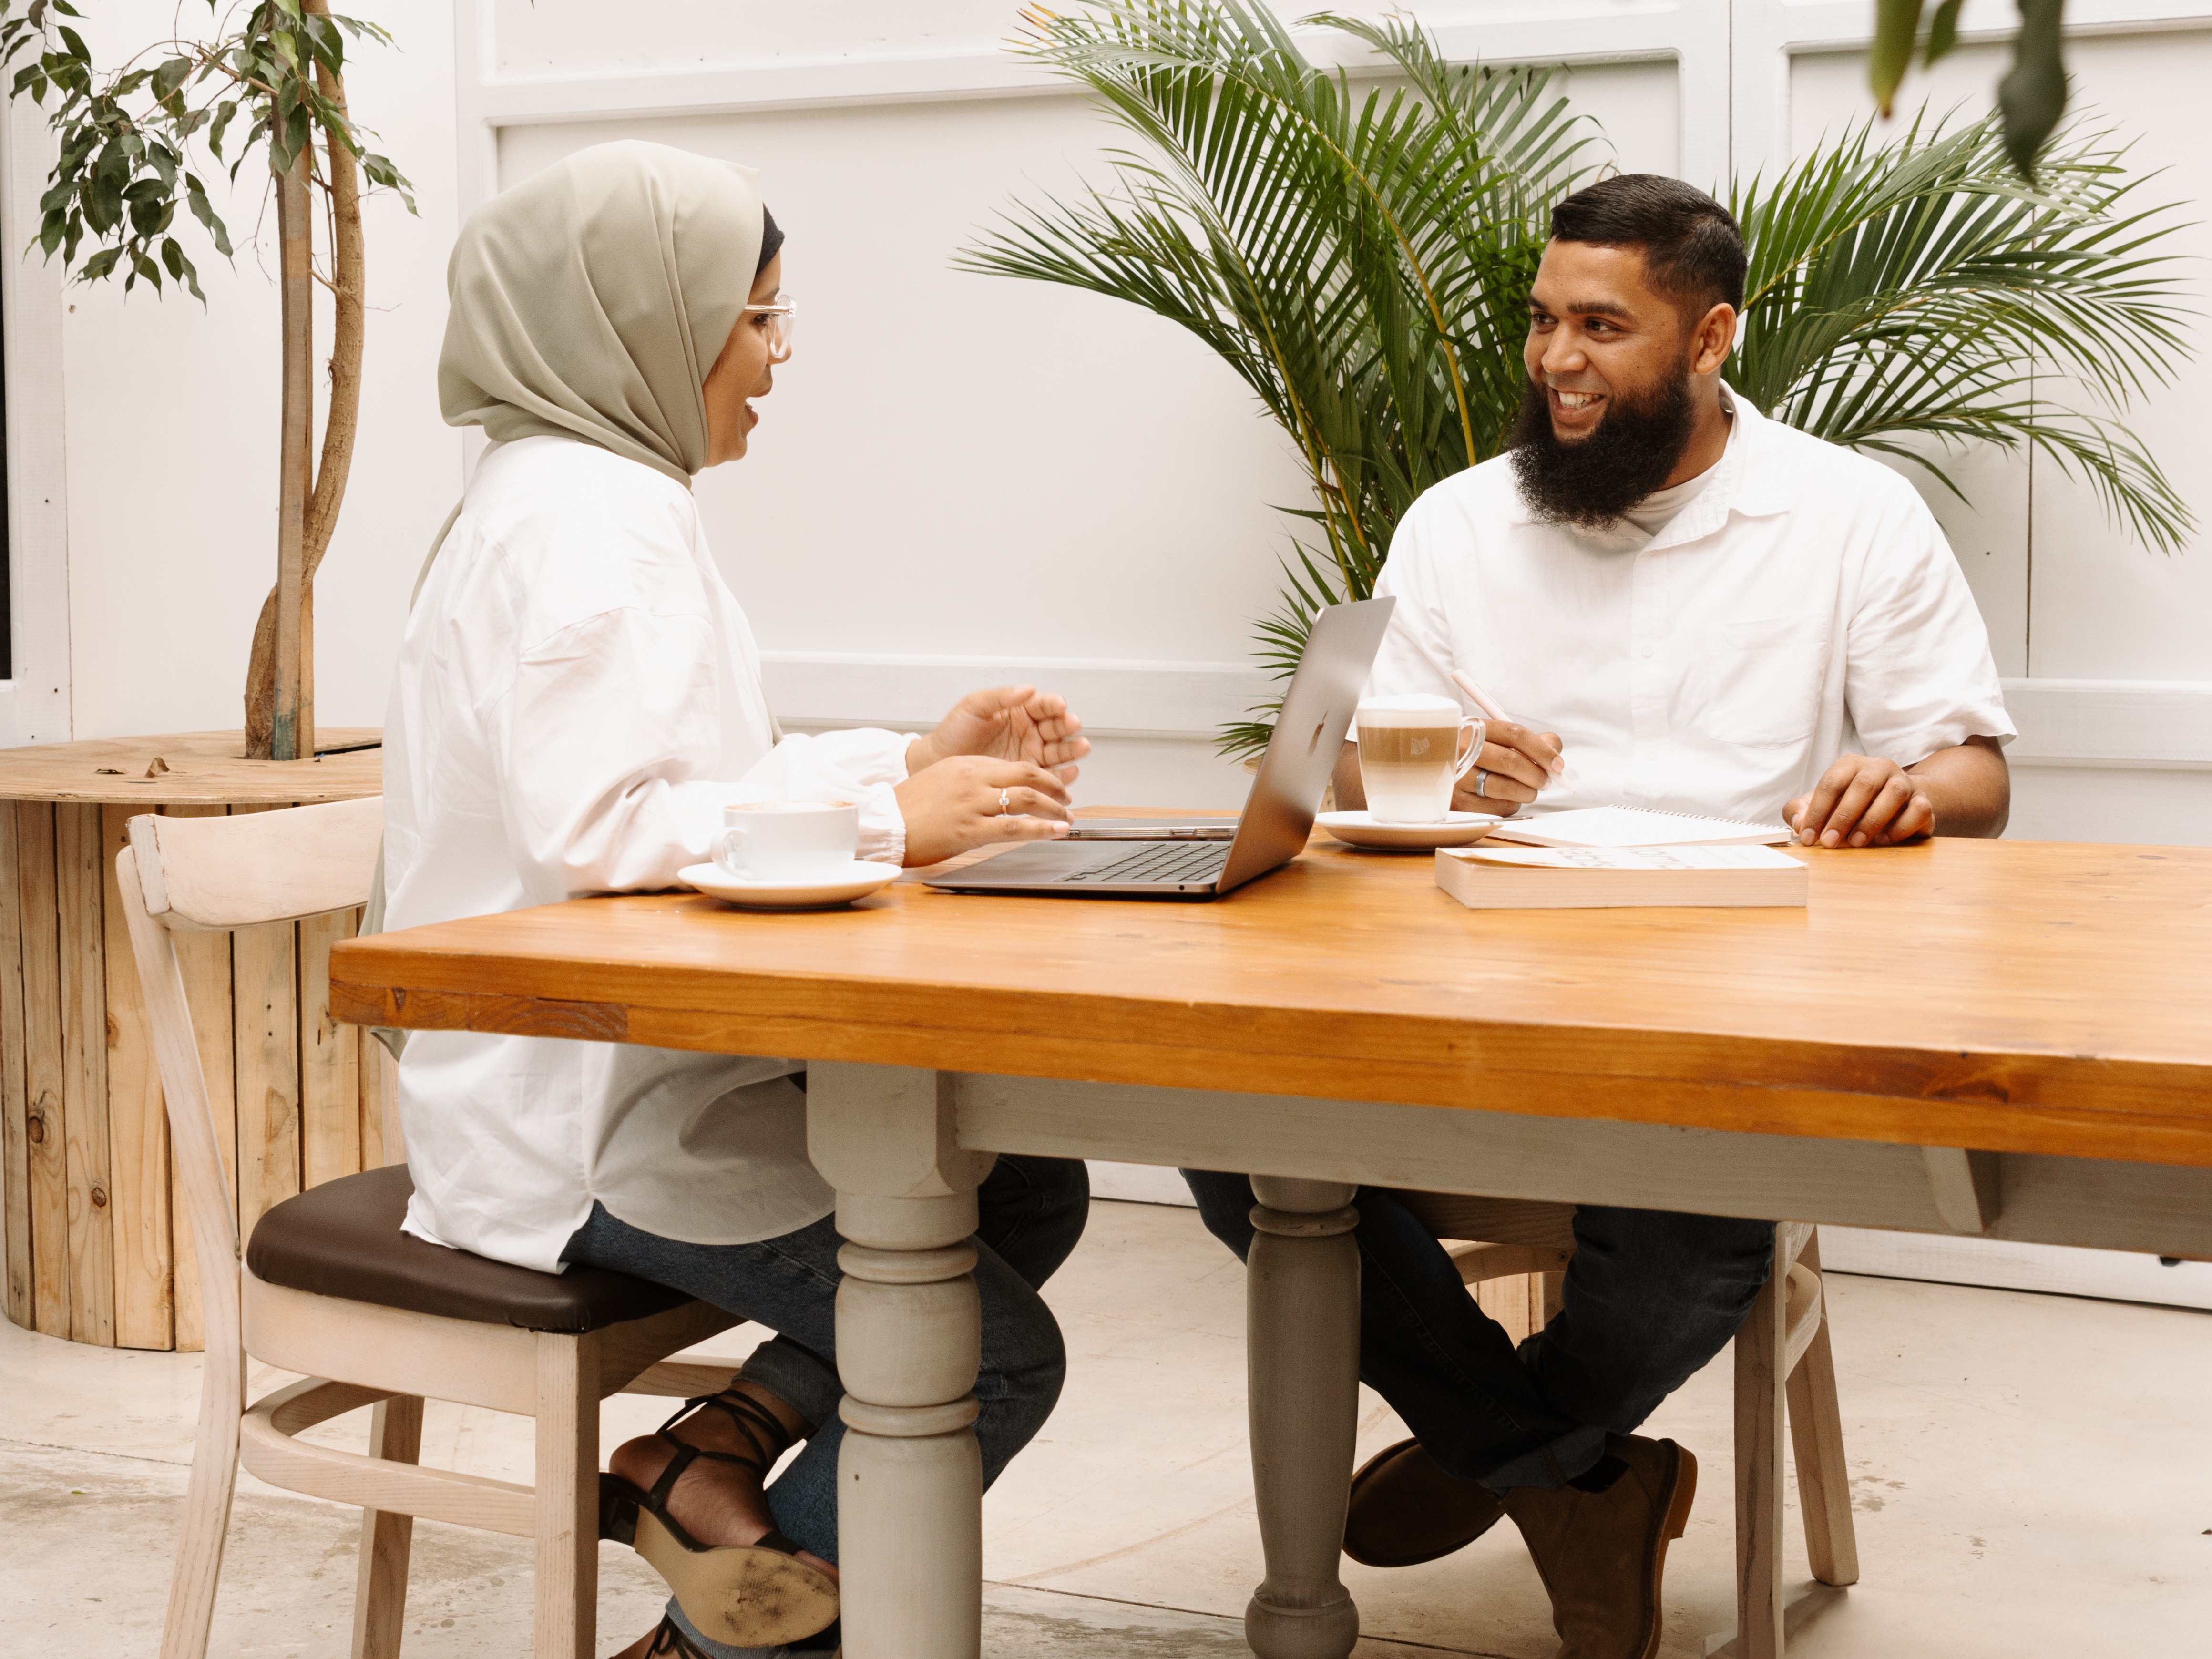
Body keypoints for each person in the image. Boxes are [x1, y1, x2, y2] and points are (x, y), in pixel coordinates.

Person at [1185, 174, 2014, 1659]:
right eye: (1542, 321)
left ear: (1711, 338)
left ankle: (1508, 1454)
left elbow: (1976, 775)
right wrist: (1435, 777)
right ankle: (1576, 1482)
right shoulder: (1458, 524)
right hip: (1470, 983)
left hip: (1726, 1001)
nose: (1555, 361)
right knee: (1232, 1134)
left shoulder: (1848, 515)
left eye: (1600, 328)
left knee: (1693, 1239)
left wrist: (1902, 788)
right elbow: (1357, 772)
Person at [382, 141, 1094, 1659]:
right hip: (576, 1120)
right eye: (758, 316)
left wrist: (910, 762)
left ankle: (708, 1449)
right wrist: (891, 824)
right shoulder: (590, 526)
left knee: (1029, 1181)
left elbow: (681, 777)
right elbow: (604, 829)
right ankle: (710, 1653)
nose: (777, 356)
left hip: (604, 1070)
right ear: (644, 318)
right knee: (997, 1356)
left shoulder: (578, 491)